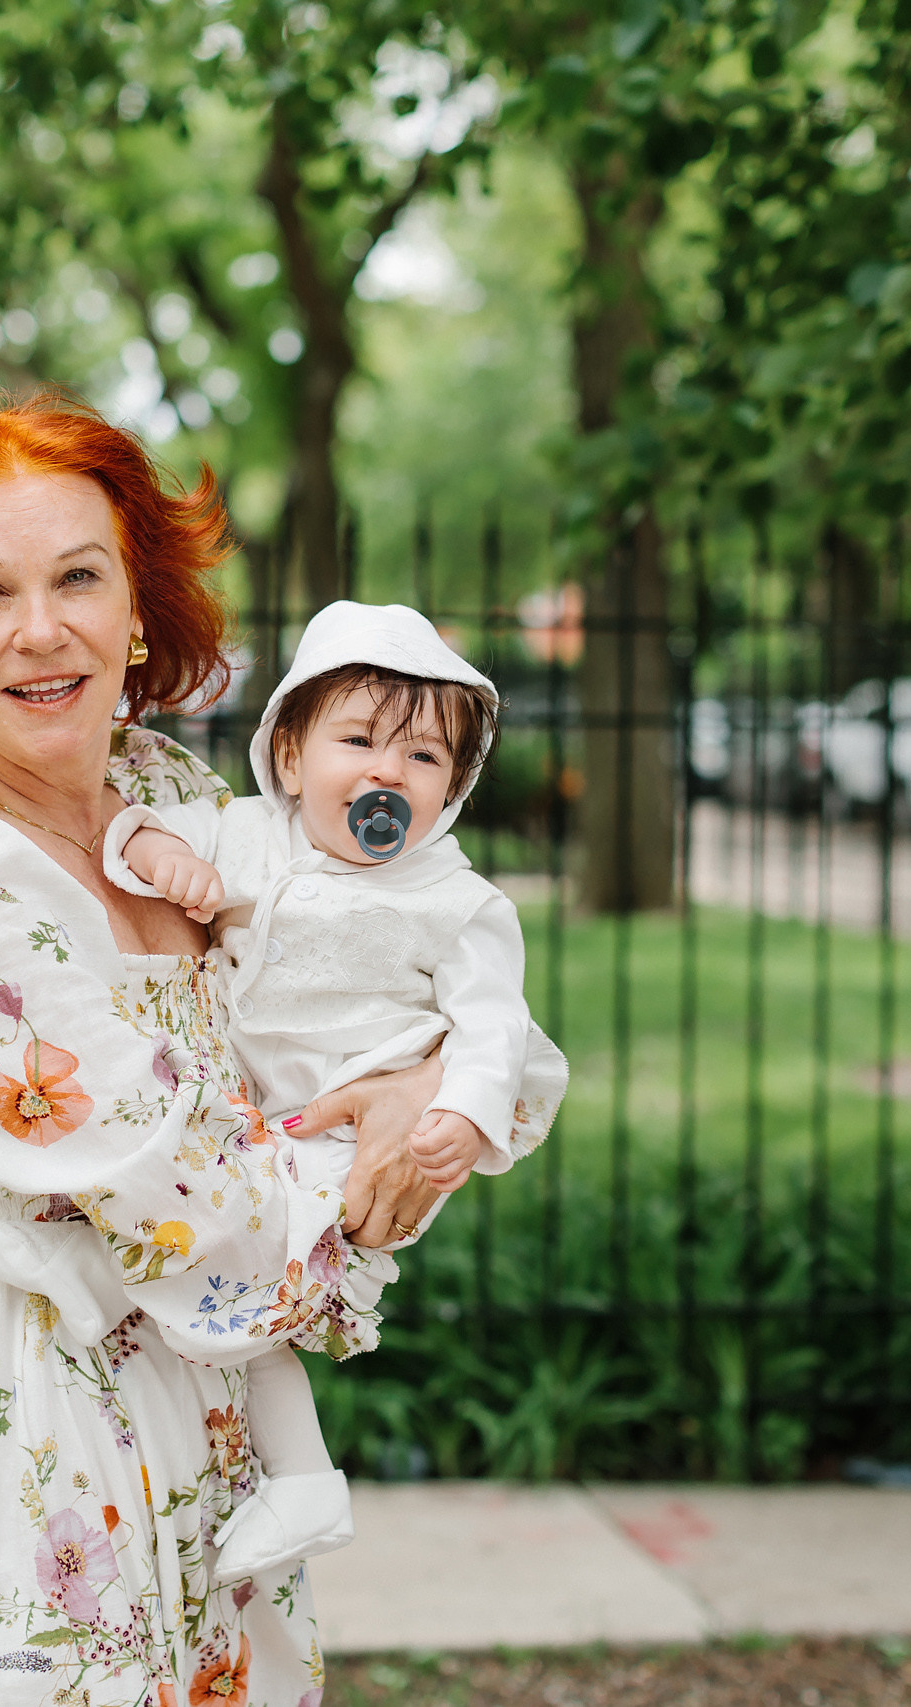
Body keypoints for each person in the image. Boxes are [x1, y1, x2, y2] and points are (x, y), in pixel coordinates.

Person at [0, 392, 443, 1705]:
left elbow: (348, 985)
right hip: (29, 1459)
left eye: (78, 575)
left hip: (216, 1432)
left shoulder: (177, 799)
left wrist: (419, 1073)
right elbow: (199, 1207)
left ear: (135, 609)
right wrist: (402, 1131)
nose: (42, 628)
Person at [102, 600, 567, 1581]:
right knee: (218, 1298)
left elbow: (493, 1023)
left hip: (343, 1140)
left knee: (225, 1294)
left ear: (454, 787)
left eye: (424, 758)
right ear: (289, 755)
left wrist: (462, 1115)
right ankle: (305, 1487)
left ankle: (304, 1484)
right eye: (356, 740)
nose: (387, 772)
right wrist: (165, 860)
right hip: (248, 1125)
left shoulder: (454, 900)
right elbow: (127, 827)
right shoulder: (241, 835)